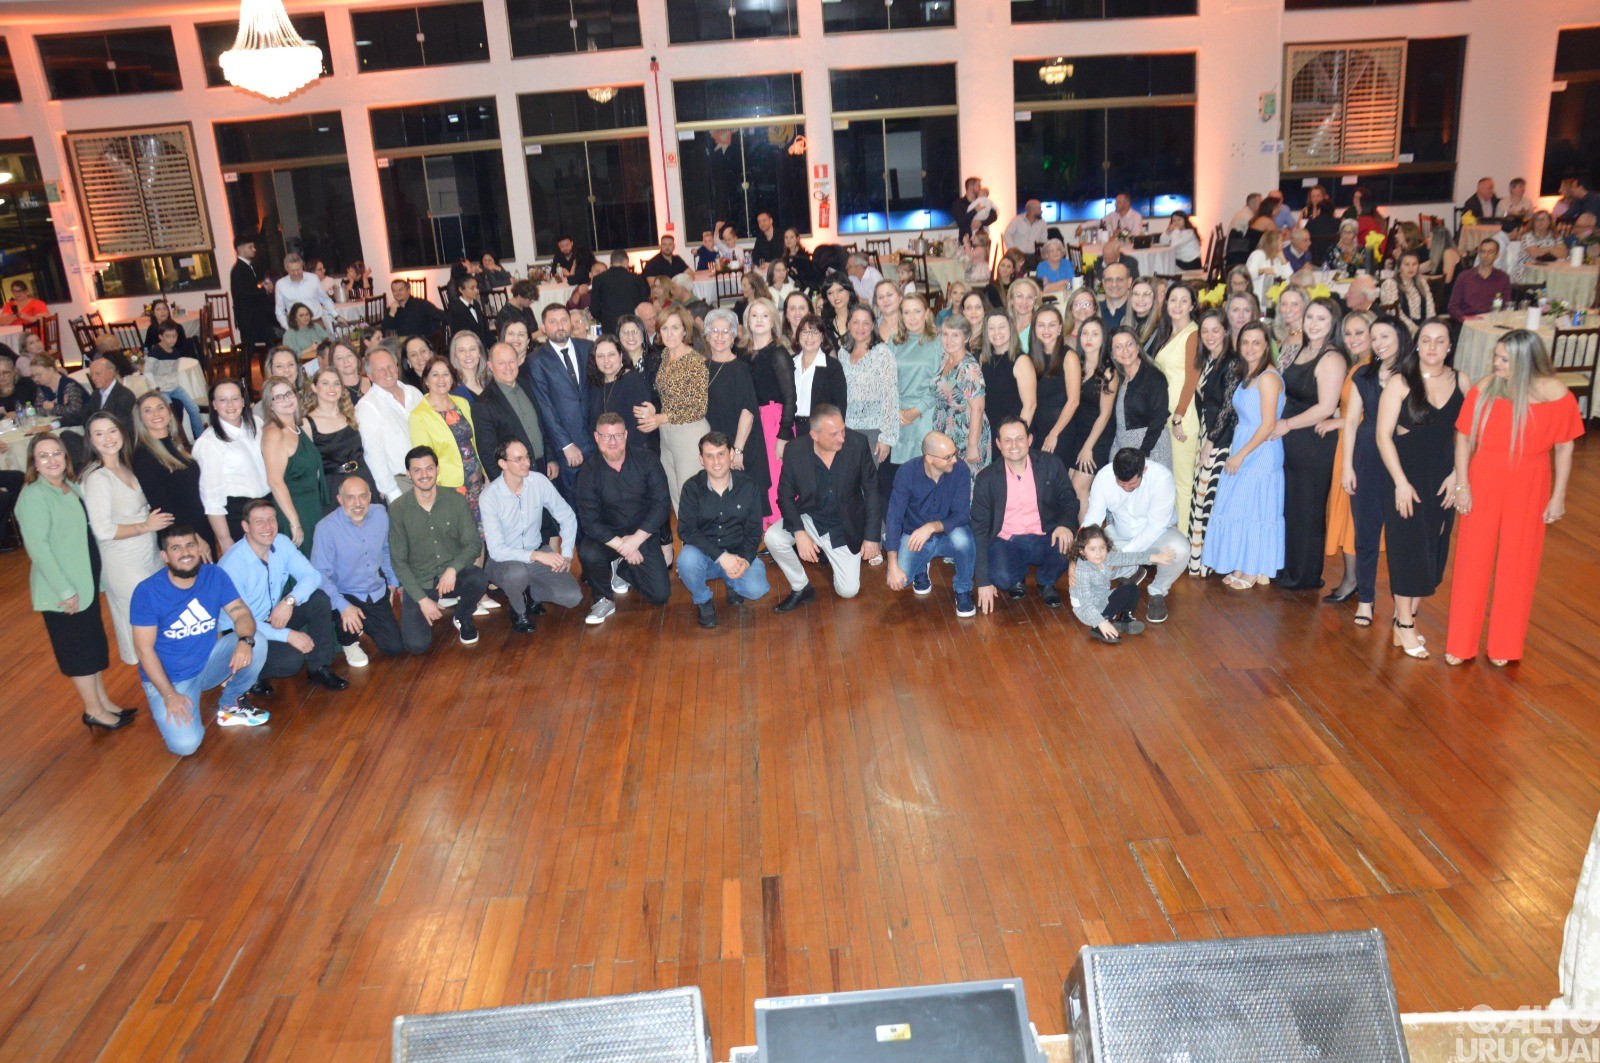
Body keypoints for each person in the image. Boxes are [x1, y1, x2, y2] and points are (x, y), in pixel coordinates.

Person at [1445, 330, 1583, 665]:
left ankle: (1504, 646)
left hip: (1531, 480)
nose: (1496, 362)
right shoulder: (1485, 386)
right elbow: (1463, 438)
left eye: (1504, 358)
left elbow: (1565, 447)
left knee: (1519, 563)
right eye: (1497, 355)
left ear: (1525, 361)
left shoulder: (1557, 394)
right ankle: (1460, 644)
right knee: (1471, 560)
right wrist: (1463, 485)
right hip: (1485, 475)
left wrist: (1558, 496)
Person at [16, 432, 137, 733]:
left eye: (56, 453)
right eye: (43, 456)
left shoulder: (69, 486)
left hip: (84, 584)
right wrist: (65, 590)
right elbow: (39, 549)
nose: (52, 460)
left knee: (92, 646)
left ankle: (103, 701)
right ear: (33, 463)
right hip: (63, 591)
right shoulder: (33, 496)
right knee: (77, 651)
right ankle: (93, 710)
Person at [1373, 318, 1468, 659]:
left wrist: (1458, 473)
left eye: (1439, 341)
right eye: (1425, 340)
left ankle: (1405, 622)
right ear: (1417, 345)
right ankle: (1406, 624)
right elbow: (1383, 436)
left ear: (1449, 346)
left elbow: (1469, 433)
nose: (1432, 347)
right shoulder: (1401, 381)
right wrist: (1399, 481)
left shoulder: (1462, 382)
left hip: (1442, 478)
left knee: (1432, 550)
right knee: (1406, 549)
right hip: (1405, 476)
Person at [132, 524, 269, 753]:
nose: (185, 553)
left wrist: (245, 641)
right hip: (170, 679)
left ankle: (230, 704)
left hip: (208, 663)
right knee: (186, 746)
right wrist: (169, 695)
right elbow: (144, 650)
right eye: (176, 548)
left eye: (190, 545)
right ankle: (177, 701)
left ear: (198, 548)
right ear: (165, 556)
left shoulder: (214, 575)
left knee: (258, 642)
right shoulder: (147, 592)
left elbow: (241, 613)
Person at [219, 498, 347, 696]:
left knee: (319, 599)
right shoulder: (232, 565)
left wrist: (289, 601)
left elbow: (312, 576)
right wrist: (287, 635)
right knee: (291, 661)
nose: (267, 527)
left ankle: (319, 668)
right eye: (259, 521)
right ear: (245, 526)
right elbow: (240, 621)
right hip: (241, 631)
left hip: (271, 616)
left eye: (272, 519)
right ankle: (247, 673)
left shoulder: (281, 542)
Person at [764, 404, 881, 612]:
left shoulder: (858, 444)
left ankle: (832, 557)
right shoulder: (795, 450)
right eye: (833, 434)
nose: (842, 438)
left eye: (843, 430)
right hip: (811, 518)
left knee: (848, 591)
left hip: (845, 526)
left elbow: (872, 491)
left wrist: (872, 536)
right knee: (773, 537)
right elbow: (785, 496)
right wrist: (799, 533)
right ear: (814, 435)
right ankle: (801, 587)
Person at [1201, 322, 1285, 588]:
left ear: (1266, 346)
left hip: (1260, 450)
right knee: (1240, 507)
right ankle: (1241, 562)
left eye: (1256, 342)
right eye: (1245, 342)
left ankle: (1254, 568)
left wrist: (1241, 454)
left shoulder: (1268, 378)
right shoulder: (1247, 373)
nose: (1250, 348)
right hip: (1244, 444)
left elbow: (1269, 424)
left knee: (1257, 510)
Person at [80, 410, 167, 667]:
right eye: (99, 433)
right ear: (90, 440)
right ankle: (159, 693)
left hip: (148, 556)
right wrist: (145, 526)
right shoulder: (97, 477)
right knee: (143, 633)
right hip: (123, 564)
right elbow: (103, 530)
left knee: (159, 626)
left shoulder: (125, 466)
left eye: (112, 430)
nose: (107, 438)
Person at [1272, 297, 1347, 590]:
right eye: (1310, 318)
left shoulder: (1331, 358)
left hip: (1312, 441)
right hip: (1292, 438)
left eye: (1321, 320)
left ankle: (1305, 576)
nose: (1313, 324)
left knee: (1308, 509)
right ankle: (1291, 567)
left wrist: (1286, 424)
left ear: (1332, 325)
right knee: (1292, 507)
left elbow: (1326, 407)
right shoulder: (1304, 348)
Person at [969, 417, 1077, 612]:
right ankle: (1017, 576)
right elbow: (979, 529)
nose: (1014, 445)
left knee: (1067, 543)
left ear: (1030, 439)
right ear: (998, 444)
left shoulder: (1051, 464)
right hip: (1007, 541)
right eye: (1007, 440)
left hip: (1046, 535)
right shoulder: (986, 478)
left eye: (1019, 438)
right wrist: (983, 581)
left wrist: (1065, 524)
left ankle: (1046, 581)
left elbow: (1070, 500)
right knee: (1001, 579)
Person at [386, 446, 490, 649]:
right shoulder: (398, 509)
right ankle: (430, 604)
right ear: (408, 474)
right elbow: (398, 561)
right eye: (417, 470)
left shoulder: (456, 500)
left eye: (429, 468)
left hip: (451, 578)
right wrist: (422, 600)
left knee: (478, 577)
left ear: (437, 469)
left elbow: (473, 544)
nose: (424, 475)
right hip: (421, 581)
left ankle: (462, 617)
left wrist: (453, 569)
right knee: (416, 646)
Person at [576, 414, 673, 625]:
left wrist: (636, 541)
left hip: (642, 535)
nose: (612, 442)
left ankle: (621, 569)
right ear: (596, 437)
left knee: (660, 595)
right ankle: (603, 599)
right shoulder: (588, 471)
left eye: (618, 435)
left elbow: (661, 505)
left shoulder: (647, 460)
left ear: (627, 435)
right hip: (609, 538)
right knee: (588, 551)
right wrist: (623, 546)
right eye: (606, 436)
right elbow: (590, 521)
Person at [480, 440, 582, 633]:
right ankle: (518, 610)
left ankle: (529, 592)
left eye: (526, 457)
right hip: (504, 561)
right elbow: (497, 550)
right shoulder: (490, 496)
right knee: (517, 573)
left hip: (536, 552)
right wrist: (538, 556)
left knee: (572, 598)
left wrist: (567, 554)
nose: (526, 463)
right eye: (518, 459)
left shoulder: (538, 481)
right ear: (503, 464)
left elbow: (567, 516)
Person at [1323, 311, 1384, 618]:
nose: (1353, 339)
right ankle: (1353, 579)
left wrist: (1337, 422)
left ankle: (1353, 581)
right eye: (1348, 333)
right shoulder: (1359, 363)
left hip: (1360, 449)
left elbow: (1373, 413)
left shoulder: (1373, 366)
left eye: (1360, 332)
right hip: (1346, 446)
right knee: (1345, 511)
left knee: (1353, 514)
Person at [676, 431, 771, 627]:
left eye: (721, 454)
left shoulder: (749, 487)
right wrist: (721, 557)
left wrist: (744, 560)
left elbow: (754, 531)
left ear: (731, 455)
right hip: (705, 556)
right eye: (709, 456)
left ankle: (732, 582)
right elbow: (686, 530)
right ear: (701, 459)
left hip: (737, 555)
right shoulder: (691, 488)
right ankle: (702, 600)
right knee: (686, 560)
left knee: (757, 589)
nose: (716, 461)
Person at [1081, 448, 1186, 623]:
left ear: (1143, 470)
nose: (1126, 488)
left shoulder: (1162, 478)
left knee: (1180, 549)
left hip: (1157, 536)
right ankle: (1130, 573)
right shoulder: (1104, 477)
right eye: (1120, 483)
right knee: (1091, 560)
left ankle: (1158, 591)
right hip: (1119, 536)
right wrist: (1079, 551)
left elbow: (1156, 526)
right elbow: (1093, 519)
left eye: (1132, 484)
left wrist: (1124, 556)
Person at [311, 475, 403, 666]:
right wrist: (342, 605)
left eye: (362, 496)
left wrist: (392, 583)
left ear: (370, 496)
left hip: (375, 590)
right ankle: (348, 641)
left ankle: (364, 622)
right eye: (350, 497)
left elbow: (387, 550)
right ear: (340, 500)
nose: (358, 503)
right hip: (345, 593)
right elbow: (320, 575)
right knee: (339, 609)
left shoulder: (380, 514)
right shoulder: (326, 528)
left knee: (395, 648)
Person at [882, 431, 975, 615]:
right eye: (948, 457)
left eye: (954, 454)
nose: (954, 460)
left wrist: (931, 527)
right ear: (929, 458)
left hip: (949, 532)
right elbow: (894, 517)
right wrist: (892, 565)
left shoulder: (961, 470)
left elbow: (962, 515)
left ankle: (963, 590)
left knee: (964, 540)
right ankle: (920, 569)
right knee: (901, 580)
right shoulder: (907, 472)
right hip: (916, 535)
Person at [635, 305, 710, 514]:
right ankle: (688, 543)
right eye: (665, 328)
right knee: (676, 494)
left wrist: (661, 417)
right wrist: (655, 409)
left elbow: (698, 407)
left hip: (689, 432)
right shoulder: (666, 355)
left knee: (692, 496)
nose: (669, 334)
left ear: (685, 331)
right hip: (667, 432)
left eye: (675, 328)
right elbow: (669, 396)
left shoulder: (695, 361)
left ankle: (701, 545)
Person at [702, 308, 770, 520]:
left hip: (739, 443)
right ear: (707, 335)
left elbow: (748, 412)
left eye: (726, 331)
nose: (720, 336)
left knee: (743, 507)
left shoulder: (740, 368)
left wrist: (737, 450)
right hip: (714, 443)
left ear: (733, 336)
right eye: (715, 331)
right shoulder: (703, 367)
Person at [132, 391, 214, 559]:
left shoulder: (175, 445)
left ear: (169, 412)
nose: (156, 414)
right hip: (181, 537)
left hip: (198, 525)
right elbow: (162, 506)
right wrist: (194, 539)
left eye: (160, 407)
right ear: (140, 419)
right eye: (147, 410)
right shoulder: (143, 455)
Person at [526, 303, 595, 498]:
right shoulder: (537, 360)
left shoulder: (588, 348)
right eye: (553, 322)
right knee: (574, 501)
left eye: (564, 320)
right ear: (544, 327)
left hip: (596, 439)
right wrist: (566, 445)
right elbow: (544, 406)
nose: (560, 326)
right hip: (567, 446)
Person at [1186, 310, 1236, 575]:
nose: (1210, 336)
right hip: (1207, 435)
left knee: (1210, 501)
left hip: (1221, 439)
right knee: (1202, 499)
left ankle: (1211, 562)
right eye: (1205, 331)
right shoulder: (1208, 360)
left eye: (1216, 330)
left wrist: (1212, 441)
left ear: (1226, 331)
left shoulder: (1230, 362)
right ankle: (1201, 562)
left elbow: (1228, 407)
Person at [1149, 283, 1201, 530]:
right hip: (1168, 414)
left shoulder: (1193, 334)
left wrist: (1179, 415)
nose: (1178, 306)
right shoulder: (1169, 332)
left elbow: (1193, 376)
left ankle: (1184, 539)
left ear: (1192, 305)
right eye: (1173, 300)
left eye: (1184, 300)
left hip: (1183, 415)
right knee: (1172, 478)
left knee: (1183, 482)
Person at [1069, 523, 1177, 644]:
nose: (1099, 553)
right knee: (1119, 596)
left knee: (1132, 589)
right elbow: (1086, 604)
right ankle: (1099, 627)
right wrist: (1101, 622)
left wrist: (1154, 557)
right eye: (1092, 549)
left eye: (1102, 548)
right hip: (1086, 610)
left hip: (1102, 598)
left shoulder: (1107, 557)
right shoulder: (1082, 570)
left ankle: (1125, 618)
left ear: (1106, 545)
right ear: (1082, 551)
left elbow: (1128, 558)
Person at [193, 380, 268, 553]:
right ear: (214, 404)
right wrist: (225, 540)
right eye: (223, 400)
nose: (230, 405)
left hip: (267, 506)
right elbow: (212, 499)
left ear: (243, 401)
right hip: (239, 513)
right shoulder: (209, 442)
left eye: (235, 398)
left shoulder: (257, 423)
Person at [260, 375, 330, 557]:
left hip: (312, 506)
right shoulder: (275, 433)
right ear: (270, 405)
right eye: (278, 397)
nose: (287, 400)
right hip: (294, 509)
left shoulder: (297, 427)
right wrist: (294, 521)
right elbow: (275, 482)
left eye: (289, 393)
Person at [411, 357, 486, 522]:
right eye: (435, 375)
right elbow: (424, 459)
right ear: (426, 380)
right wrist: (437, 488)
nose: (441, 379)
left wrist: (485, 474)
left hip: (476, 479)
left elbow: (475, 443)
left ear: (452, 379)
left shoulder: (463, 403)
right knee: (460, 534)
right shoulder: (419, 415)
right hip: (449, 486)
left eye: (446, 374)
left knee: (481, 532)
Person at [743, 298, 796, 525]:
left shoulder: (778, 353)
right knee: (759, 477)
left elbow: (791, 398)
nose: (759, 320)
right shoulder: (743, 353)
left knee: (776, 479)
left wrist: (783, 435)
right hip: (753, 421)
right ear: (747, 321)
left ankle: (781, 531)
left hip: (775, 421)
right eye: (755, 315)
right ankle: (766, 528)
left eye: (765, 315)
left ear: (773, 320)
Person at [478, 340, 555, 481]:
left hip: (542, 466)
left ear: (518, 361)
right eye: (501, 363)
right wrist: (504, 487)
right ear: (490, 366)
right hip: (514, 477)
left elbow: (543, 425)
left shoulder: (528, 385)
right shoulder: (483, 404)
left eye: (512, 361)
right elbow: (487, 454)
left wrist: (551, 458)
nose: (508, 367)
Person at [356, 343, 425, 503]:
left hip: (429, 474)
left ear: (397, 366)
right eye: (380, 369)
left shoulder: (414, 393)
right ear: (370, 375)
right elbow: (374, 455)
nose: (387, 372)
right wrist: (392, 492)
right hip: (402, 482)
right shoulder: (367, 407)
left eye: (390, 366)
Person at [838, 305, 899, 465]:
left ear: (873, 326)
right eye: (856, 322)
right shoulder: (842, 353)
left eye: (866, 323)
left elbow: (890, 396)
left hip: (872, 430)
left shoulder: (882, 353)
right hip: (845, 429)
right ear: (849, 324)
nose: (860, 327)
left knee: (867, 485)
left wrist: (886, 437)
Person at [930, 316, 989, 475]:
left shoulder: (969, 367)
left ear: (966, 338)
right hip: (947, 430)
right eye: (945, 334)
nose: (949, 340)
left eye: (955, 335)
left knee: (966, 485)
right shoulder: (945, 358)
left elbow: (978, 408)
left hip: (966, 433)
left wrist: (972, 445)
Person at [305, 367, 375, 499]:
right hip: (334, 487)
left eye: (336, 383)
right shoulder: (306, 424)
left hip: (363, 479)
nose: (332, 388)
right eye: (325, 383)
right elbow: (309, 469)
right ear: (314, 387)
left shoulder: (352, 414)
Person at [1107, 325, 1170, 474]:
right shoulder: (1118, 377)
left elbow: (1159, 419)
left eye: (1129, 344)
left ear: (1137, 346)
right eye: (1119, 347)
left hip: (1150, 448)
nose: (1125, 351)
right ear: (1113, 353)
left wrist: (1143, 453)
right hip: (1121, 446)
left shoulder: (1154, 378)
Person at [979, 311, 1037, 459]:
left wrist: (1015, 440)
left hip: (1013, 437)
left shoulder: (1021, 361)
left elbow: (1030, 405)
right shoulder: (984, 360)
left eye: (1002, 327)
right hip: (991, 434)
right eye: (991, 328)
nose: (996, 332)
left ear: (1011, 329)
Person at [586, 335, 652, 452]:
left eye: (611, 354)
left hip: (631, 454)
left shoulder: (634, 382)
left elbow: (641, 428)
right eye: (600, 356)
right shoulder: (595, 384)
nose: (606, 360)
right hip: (602, 454)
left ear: (621, 355)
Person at [144, 322, 206, 438]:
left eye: (174, 336)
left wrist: (173, 381)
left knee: (193, 408)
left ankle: (201, 437)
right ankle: (177, 439)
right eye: (168, 336)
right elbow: (147, 371)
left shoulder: (176, 352)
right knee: (171, 414)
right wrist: (155, 388)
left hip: (174, 387)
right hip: (161, 390)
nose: (172, 339)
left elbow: (173, 371)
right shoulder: (156, 352)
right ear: (160, 337)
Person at [791, 312, 848, 437]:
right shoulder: (790, 364)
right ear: (798, 334)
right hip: (792, 429)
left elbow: (840, 405)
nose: (809, 337)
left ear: (822, 337)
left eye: (815, 332)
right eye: (805, 331)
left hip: (820, 431)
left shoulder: (832, 367)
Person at [1447, 240, 1514, 322]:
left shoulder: (1503, 278)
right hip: (1467, 322)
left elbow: (1505, 305)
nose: (1486, 255)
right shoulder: (1464, 277)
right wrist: (1464, 319)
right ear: (1479, 254)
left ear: (1497, 255)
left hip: (1492, 321)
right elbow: (1453, 306)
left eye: (1491, 252)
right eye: (1483, 252)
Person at [229, 236, 277, 351]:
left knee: (270, 340)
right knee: (249, 349)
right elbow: (242, 293)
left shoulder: (250, 266)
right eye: (250, 247)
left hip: (256, 314)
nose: (254, 250)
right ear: (240, 249)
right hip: (248, 317)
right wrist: (263, 289)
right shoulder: (238, 270)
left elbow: (254, 284)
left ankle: (272, 364)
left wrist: (264, 285)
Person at [274, 253, 336, 333]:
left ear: (302, 266)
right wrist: (288, 328)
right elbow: (279, 311)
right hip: (296, 327)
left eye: (299, 269)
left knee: (325, 345)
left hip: (316, 323)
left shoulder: (313, 279)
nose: (296, 273)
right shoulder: (280, 284)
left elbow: (325, 300)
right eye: (293, 271)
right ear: (286, 269)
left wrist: (335, 315)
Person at [1380, 250, 1437, 335]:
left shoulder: (1422, 283)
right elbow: (1394, 313)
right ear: (1399, 266)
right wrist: (1414, 329)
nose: (1411, 268)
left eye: (1414, 264)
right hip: (1400, 330)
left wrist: (1430, 326)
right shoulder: (1390, 284)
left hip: (1422, 328)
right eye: (1407, 265)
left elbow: (1430, 308)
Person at [83, 354, 137, 426]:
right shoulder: (96, 394)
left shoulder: (125, 396)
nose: (93, 378)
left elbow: (122, 426)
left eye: (97, 374)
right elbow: (85, 415)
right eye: (92, 375)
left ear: (110, 373)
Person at [323, 338, 370, 411]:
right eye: (339, 358)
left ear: (356, 358)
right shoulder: (334, 393)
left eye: (349, 355)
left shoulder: (374, 382)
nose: (346, 361)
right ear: (333, 364)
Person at [1099, 262, 1133, 329]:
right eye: (1109, 279)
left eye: (1120, 279)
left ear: (1129, 282)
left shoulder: (1137, 312)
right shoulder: (1094, 311)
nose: (1114, 284)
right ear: (1103, 283)